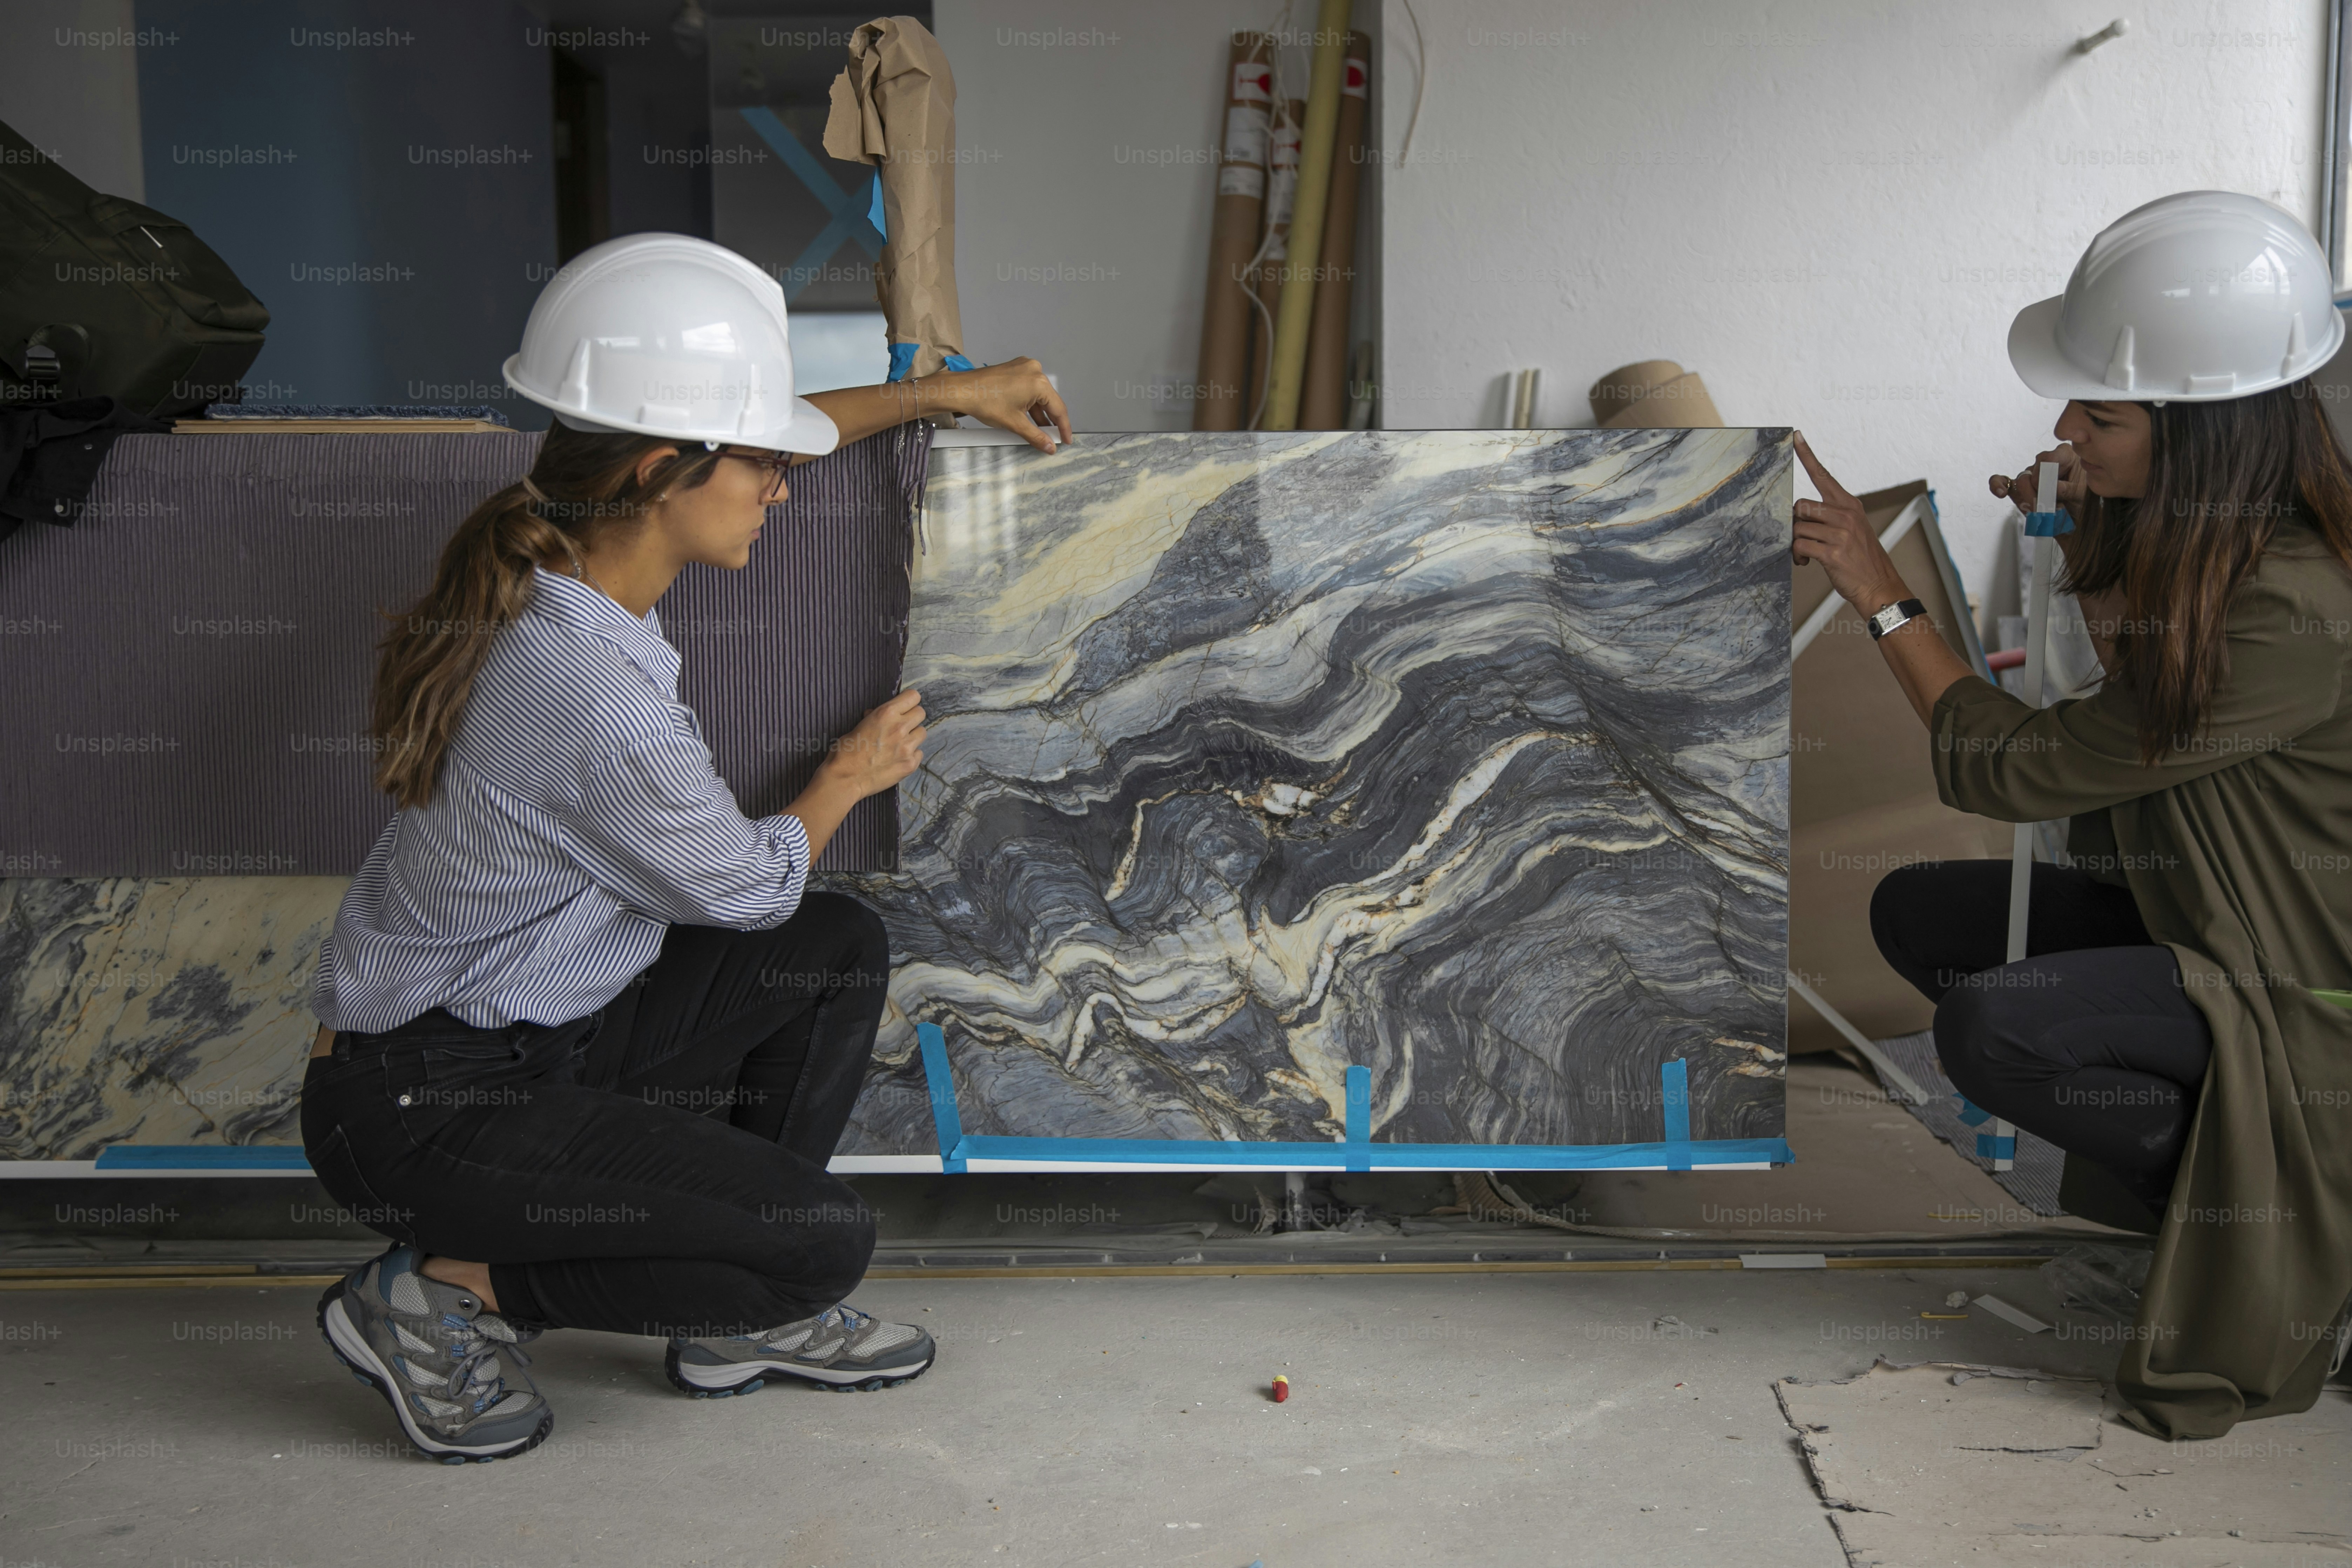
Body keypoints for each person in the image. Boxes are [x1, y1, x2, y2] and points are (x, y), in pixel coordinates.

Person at [299, 233, 1073, 1462]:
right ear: (664, 468)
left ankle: (723, 1319)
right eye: (763, 465)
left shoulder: (559, 554)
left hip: (528, 1042)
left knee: (832, 947)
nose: (781, 486)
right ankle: (441, 1294)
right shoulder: (589, 690)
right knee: (821, 1242)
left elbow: (745, 433)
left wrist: (940, 392)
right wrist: (846, 776)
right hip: (426, 1111)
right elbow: (744, 888)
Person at [1792, 190, 2352, 1439]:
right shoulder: (2235, 545)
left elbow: (2019, 772)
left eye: (2099, 414)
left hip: (2303, 988)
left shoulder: (2290, 604)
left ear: (2201, 434)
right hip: (2213, 918)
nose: (2063, 429)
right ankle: (2199, 1197)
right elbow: (2137, 687)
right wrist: (2099, 530)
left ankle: (2274, 1235)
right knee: (1925, 911)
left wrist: (1884, 596)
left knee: (1995, 1030)